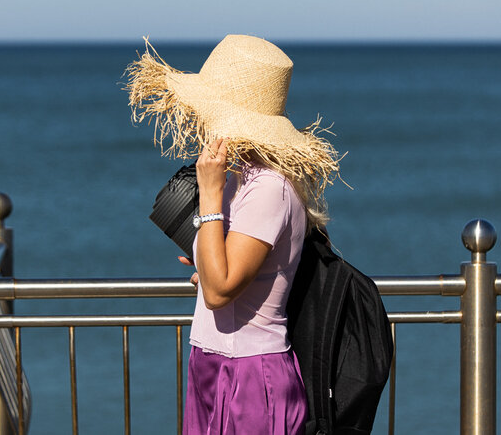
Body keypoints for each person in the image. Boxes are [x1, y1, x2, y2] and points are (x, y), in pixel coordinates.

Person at [126, 34, 341, 435]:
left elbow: (220, 290)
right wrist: (206, 265)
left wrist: (208, 194)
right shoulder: (242, 179)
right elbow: (225, 280)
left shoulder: (268, 187)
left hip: (249, 372)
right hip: (213, 359)